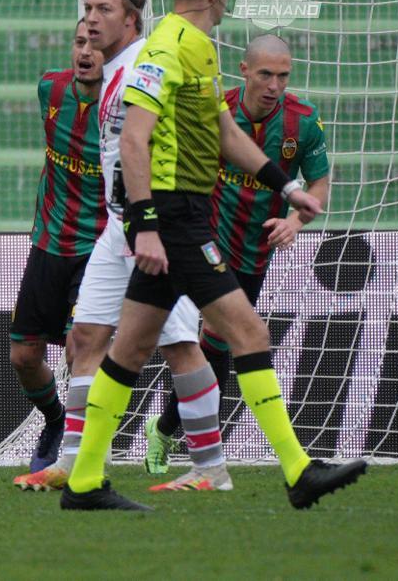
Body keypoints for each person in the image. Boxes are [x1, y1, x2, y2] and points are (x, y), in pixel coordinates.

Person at [60, 0, 366, 512]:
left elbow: (228, 135)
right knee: (248, 333)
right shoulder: (168, 47)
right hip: (173, 216)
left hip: (181, 214)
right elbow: (133, 137)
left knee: (127, 350)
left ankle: (82, 483)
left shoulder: (197, 47)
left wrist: (289, 187)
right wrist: (147, 226)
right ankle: (299, 471)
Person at [17, 0, 232, 494]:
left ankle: (210, 468)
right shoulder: (109, 71)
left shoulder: (145, 65)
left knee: (181, 344)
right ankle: (71, 462)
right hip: (121, 226)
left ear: (131, 21)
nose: (89, 21)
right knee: (84, 338)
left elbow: (171, 140)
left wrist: (160, 220)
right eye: (87, 10)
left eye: (103, 11)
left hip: (155, 223)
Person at [145, 35, 331, 473]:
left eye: (283, 75)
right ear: (244, 70)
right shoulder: (218, 110)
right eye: (265, 74)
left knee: (216, 346)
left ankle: (168, 429)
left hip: (253, 251)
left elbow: (319, 185)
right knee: (214, 337)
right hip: (202, 239)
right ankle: (207, 453)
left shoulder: (302, 123)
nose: (274, 85)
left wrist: (295, 221)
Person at [7, 20, 107, 483]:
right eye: (79, 42)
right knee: (23, 357)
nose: (84, 52)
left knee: (78, 349)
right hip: (48, 243)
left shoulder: (123, 106)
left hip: (98, 247)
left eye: (95, 44)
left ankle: (79, 454)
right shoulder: (51, 89)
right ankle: (53, 421)